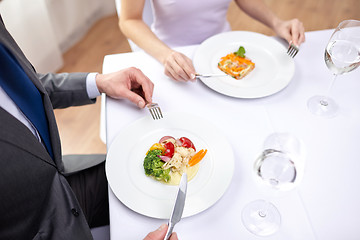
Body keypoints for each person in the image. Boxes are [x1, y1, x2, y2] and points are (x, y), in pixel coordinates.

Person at [0, 14, 177, 240]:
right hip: (39, 228)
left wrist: (97, 83)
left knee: (151, 187)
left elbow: (18, 86)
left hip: (63, 178)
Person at [119, 0, 306, 82]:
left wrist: (277, 22)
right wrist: (166, 55)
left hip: (224, 53)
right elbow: (129, 20)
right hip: (171, 59)